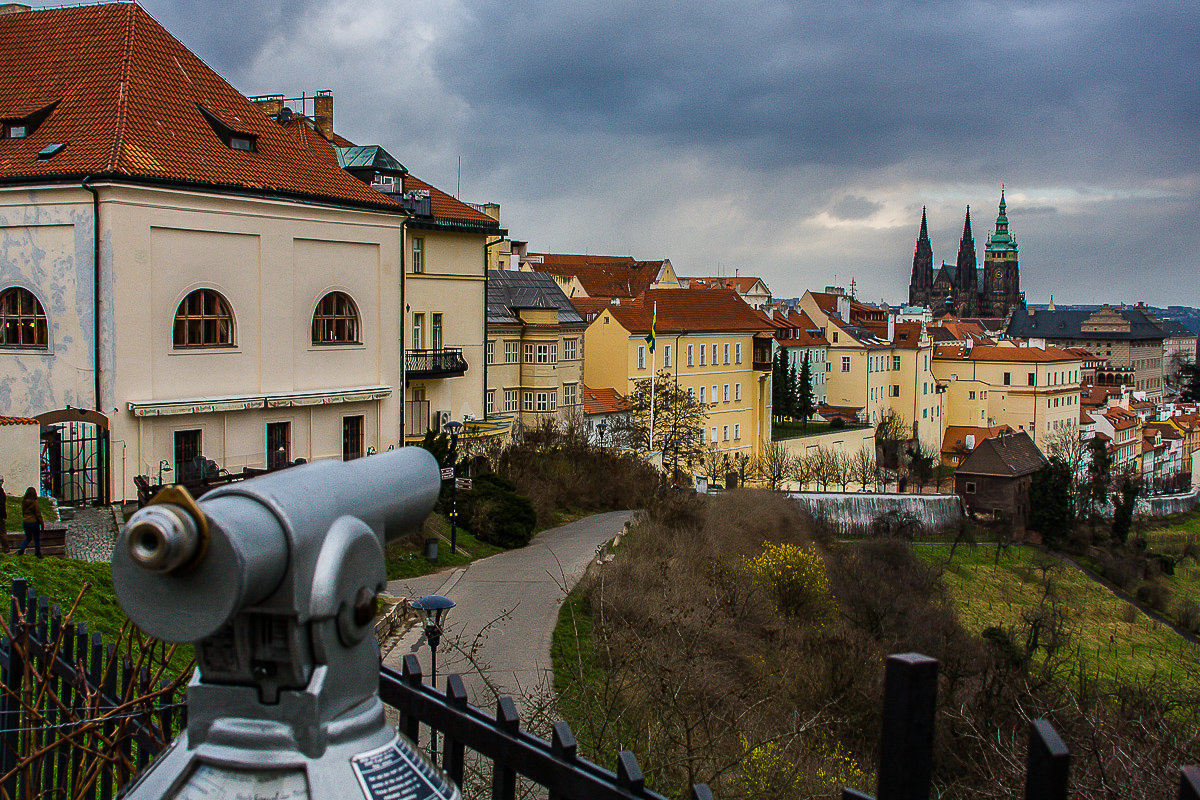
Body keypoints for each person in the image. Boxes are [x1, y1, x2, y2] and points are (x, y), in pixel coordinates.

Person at [19, 486, 42, 557]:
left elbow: (23, 511)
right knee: (37, 539)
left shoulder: (24, 502)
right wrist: (41, 523)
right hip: (34, 522)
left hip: (25, 522)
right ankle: (37, 553)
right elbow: (38, 514)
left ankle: (21, 550)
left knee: (28, 538)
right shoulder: (34, 502)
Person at [0, 476, 8, 553]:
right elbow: (2, 505)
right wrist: (3, 516)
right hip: (0, 515)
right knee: (2, 532)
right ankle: (6, 549)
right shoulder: (1, 492)